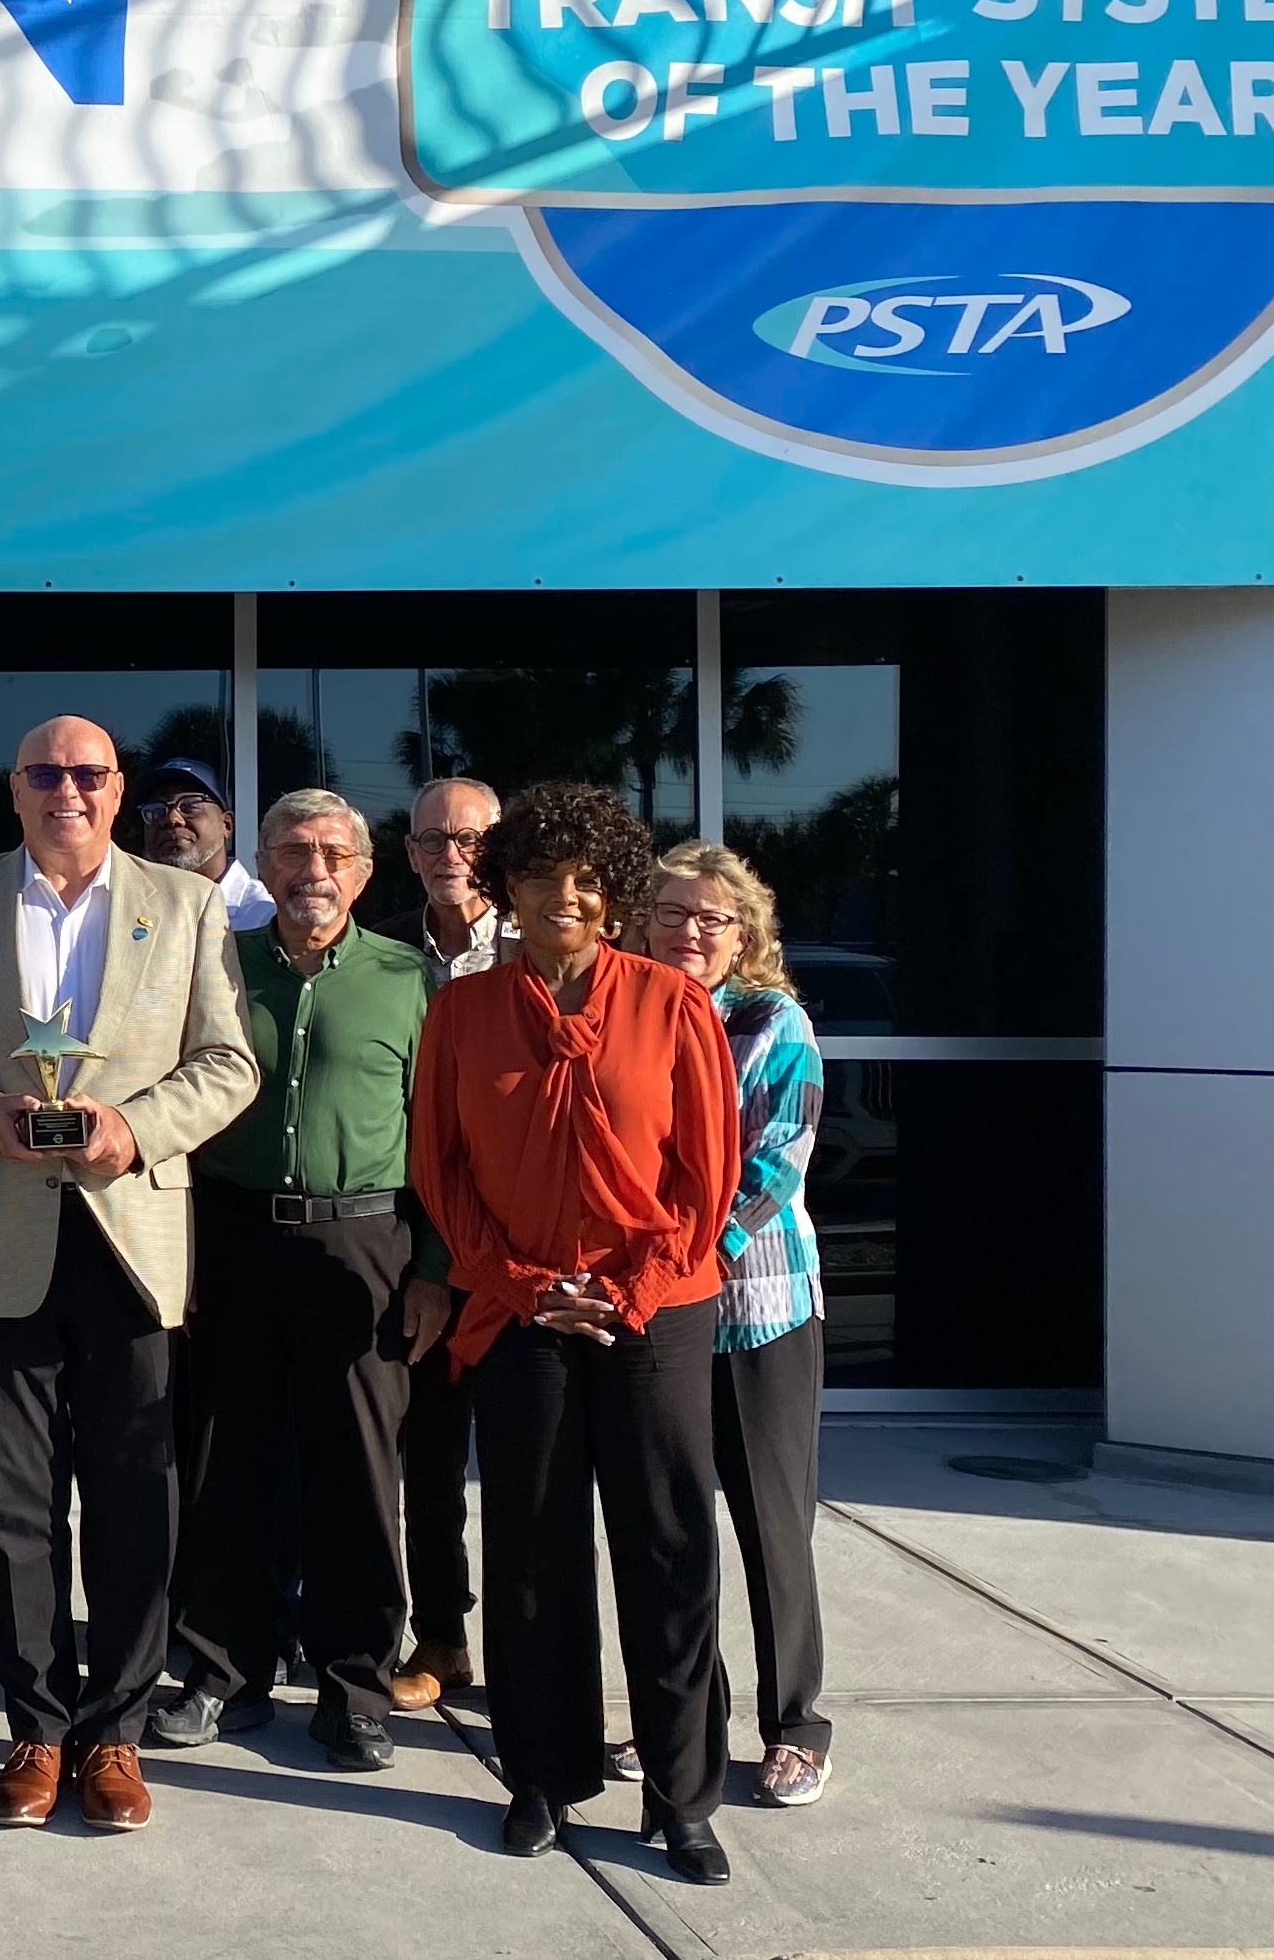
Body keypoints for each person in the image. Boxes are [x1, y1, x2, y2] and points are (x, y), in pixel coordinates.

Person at [0, 716, 258, 1836]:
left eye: (88, 774)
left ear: (115, 790)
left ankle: (116, 1734)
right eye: (45, 772)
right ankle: (37, 1728)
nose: (67, 789)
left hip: (128, 1236)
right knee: (12, 1505)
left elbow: (229, 1060)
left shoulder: (186, 904)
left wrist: (133, 1131)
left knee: (133, 1500)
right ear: (14, 788)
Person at [410, 781, 739, 1885]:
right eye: (543, 877)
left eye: (589, 881)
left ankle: (682, 1795)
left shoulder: (672, 1005)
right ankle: (540, 1777)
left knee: (666, 1549)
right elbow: (439, 1172)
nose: (567, 896)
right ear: (504, 889)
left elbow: (706, 1175)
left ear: (615, 897)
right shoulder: (460, 1012)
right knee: (532, 1552)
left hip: (653, 1309)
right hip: (519, 1313)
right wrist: (517, 1279)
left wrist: (630, 1286)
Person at [155, 792, 448, 1769]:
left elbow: (442, 1139)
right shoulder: (216, 969)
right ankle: (218, 1672)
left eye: (331, 851)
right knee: (222, 1459)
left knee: (356, 1472)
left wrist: (435, 1272)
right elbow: (177, 1116)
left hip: (364, 1247)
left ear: (364, 873)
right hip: (230, 1241)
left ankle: (353, 1682)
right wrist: (176, 1254)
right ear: (263, 865)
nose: (310, 868)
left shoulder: (411, 979)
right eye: (290, 850)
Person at [648, 840, 832, 1811]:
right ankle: (689, 1724)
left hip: (755, 1309)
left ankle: (795, 1725)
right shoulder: (628, 1016)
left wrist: (688, 1256)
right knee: (675, 1529)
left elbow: (774, 1162)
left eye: (708, 917)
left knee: (769, 1526)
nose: (687, 930)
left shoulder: (771, 1023)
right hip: (663, 1317)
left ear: (741, 934)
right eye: (669, 911)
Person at [389, 773, 508, 1716]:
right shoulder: (386, 954)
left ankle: (525, 1637)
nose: (449, 855)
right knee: (427, 1456)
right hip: (423, 1242)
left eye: (467, 838)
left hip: (519, 1245)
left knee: (525, 1463)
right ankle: (441, 1636)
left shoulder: (542, 950)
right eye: (431, 839)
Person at [132, 758, 271, 931]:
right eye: (155, 811)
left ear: (227, 825)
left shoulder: (264, 915)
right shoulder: (128, 908)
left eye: (190, 806)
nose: (172, 819)